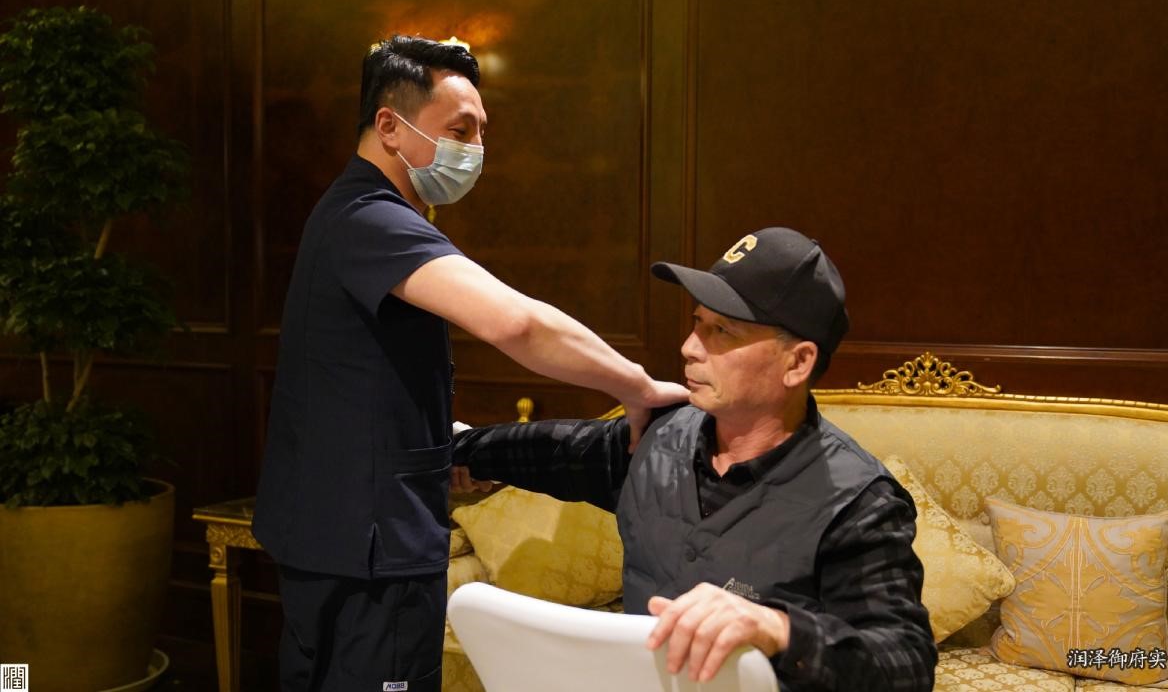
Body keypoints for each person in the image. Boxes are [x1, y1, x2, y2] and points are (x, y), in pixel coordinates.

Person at [252, 36, 687, 692]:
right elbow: (517, 323)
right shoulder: (370, 219)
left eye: (482, 132)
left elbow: (361, 381)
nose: (476, 149)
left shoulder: (347, 211)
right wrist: (639, 386)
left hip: (333, 533)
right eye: (460, 131)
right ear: (390, 126)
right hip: (370, 545)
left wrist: (436, 446)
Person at [452, 227, 937, 692]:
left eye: (722, 330)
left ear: (798, 362)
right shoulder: (655, 437)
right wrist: (447, 457)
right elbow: (549, 449)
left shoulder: (858, 502)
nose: (688, 348)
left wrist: (779, 629)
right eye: (697, 323)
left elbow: (905, 665)